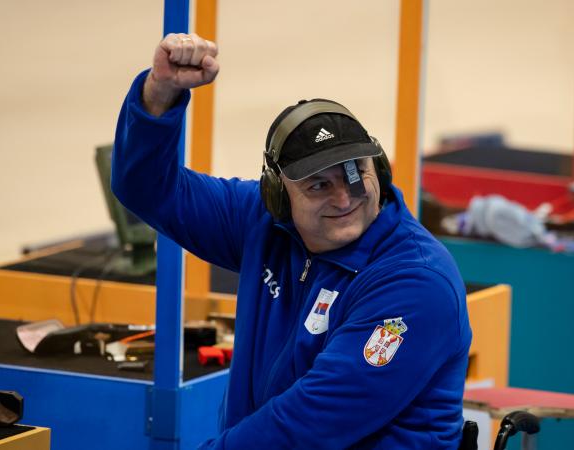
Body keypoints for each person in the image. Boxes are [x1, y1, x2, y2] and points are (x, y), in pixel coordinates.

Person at [112, 32, 472, 449]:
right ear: (278, 195)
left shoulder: (415, 283)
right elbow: (145, 189)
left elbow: (309, 422)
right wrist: (160, 93)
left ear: (381, 171)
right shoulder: (263, 222)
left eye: (356, 174)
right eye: (318, 185)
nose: (343, 198)